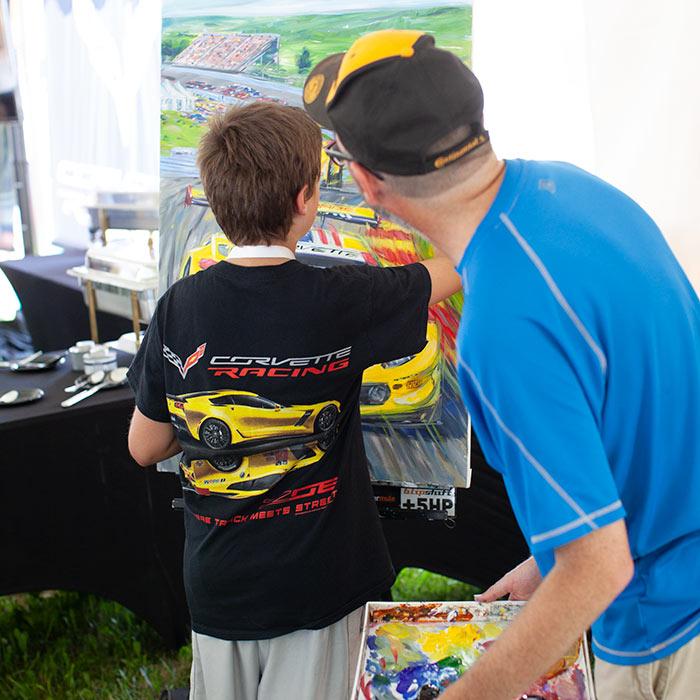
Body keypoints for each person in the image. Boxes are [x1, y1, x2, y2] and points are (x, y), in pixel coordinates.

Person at [303, 29, 700, 700]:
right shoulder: (571, 188)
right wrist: (547, 562)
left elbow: (599, 569)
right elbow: (632, 411)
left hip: (668, 624)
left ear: (368, 181)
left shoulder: (501, 327)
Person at [126, 102, 460, 700]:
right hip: (318, 584)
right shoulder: (340, 297)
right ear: (307, 198)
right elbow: (453, 267)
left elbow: (144, 445)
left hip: (219, 584)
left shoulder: (179, 305)